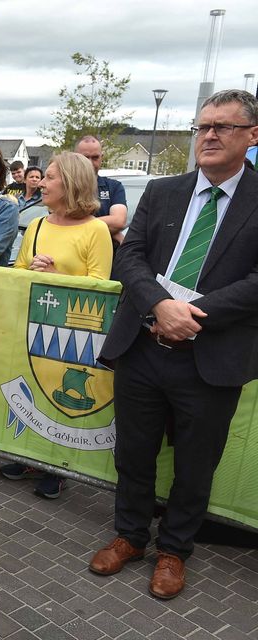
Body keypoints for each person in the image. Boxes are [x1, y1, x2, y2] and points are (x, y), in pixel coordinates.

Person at [89, 89, 258, 599]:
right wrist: (160, 305)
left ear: (252, 136)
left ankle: (174, 551)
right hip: (143, 348)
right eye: (201, 127)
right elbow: (131, 256)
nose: (207, 136)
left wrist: (192, 315)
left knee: (195, 463)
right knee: (134, 453)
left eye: (222, 127)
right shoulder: (163, 191)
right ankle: (130, 536)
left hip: (210, 359)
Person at [2, 152, 113, 499]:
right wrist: (32, 269)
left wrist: (58, 277)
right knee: (36, 389)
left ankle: (58, 465)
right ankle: (30, 457)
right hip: (33, 324)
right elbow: (18, 273)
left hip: (71, 335)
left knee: (60, 393)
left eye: (50, 177)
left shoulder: (96, 230)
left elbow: (101, 286)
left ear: (71, 183)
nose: (40, 183)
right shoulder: (36, 224)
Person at [76, 135, 127, 244]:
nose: (90, 163)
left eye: (95, 157)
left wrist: (77, 225)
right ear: (75, 158)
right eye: (85, 158)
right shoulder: (64, 186)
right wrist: (111, 230)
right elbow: (61, 223)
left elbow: (118, 221)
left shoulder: (114, 187)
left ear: (101, 157)